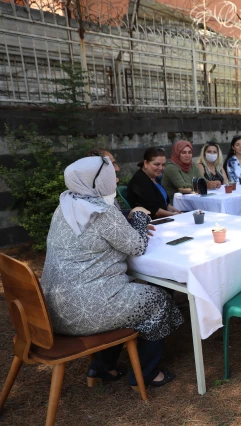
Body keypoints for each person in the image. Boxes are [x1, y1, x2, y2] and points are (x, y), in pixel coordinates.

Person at [40, 156, 183, 389]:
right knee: (158, 299)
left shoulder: (65, 205)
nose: (116, 179)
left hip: (52, 310)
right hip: (84, 310)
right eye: (110, 176)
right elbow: (137, 246)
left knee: (126, 298)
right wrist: (138, 216)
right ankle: (145, 374)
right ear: (96, 182)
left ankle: (104, 365)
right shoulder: (101, 211)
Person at [128, 147, 182, 219]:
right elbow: (155, 211)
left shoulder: (154, 177)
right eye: (157, 164)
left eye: (163, 165)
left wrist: (176, 211)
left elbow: (165, 204)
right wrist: (173, 214)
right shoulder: (140, 181)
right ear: (146, 163)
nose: (161, 168)